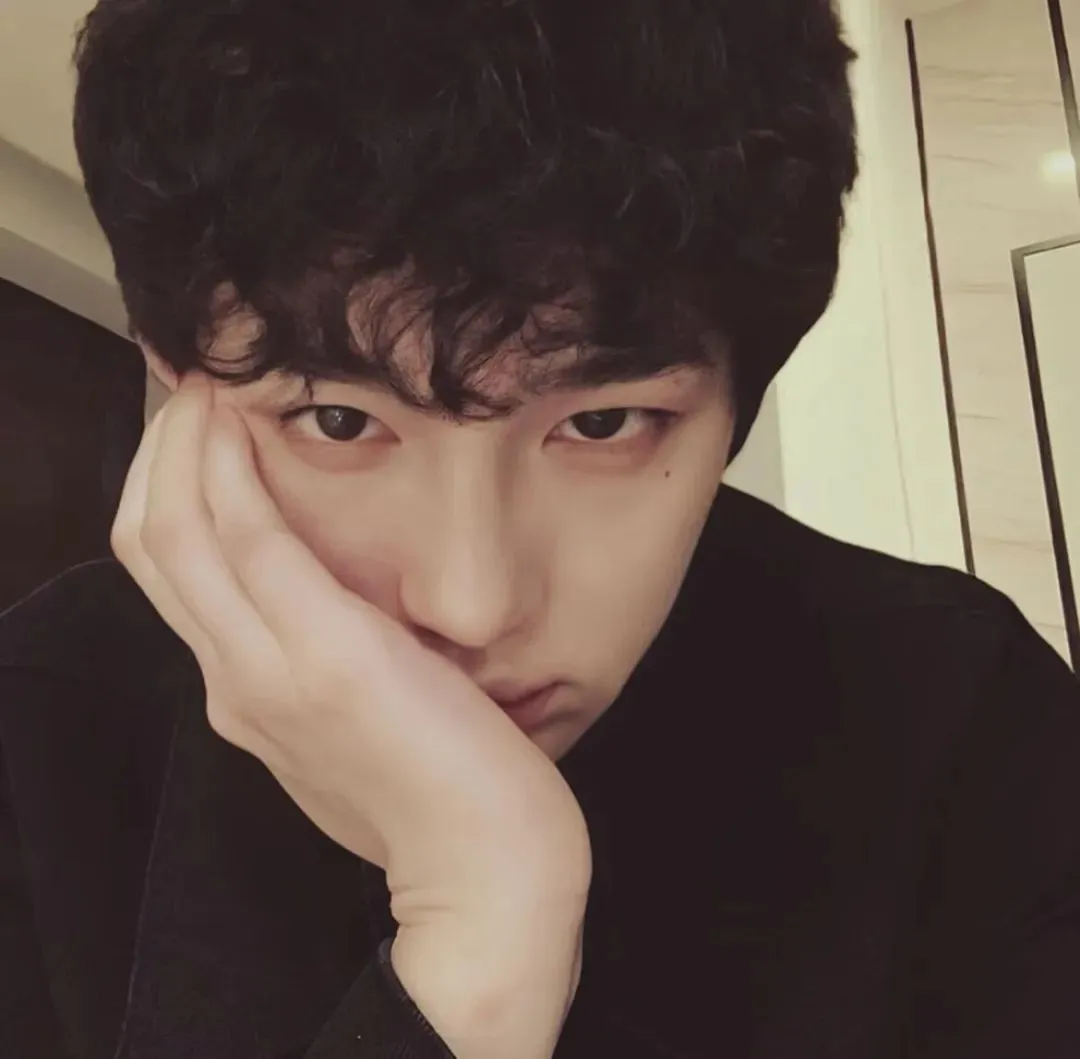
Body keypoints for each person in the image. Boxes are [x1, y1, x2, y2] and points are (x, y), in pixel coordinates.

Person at [1, 0, 1078, 1056]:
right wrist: (478, 946)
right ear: (172, 377)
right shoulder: (37, 736)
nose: (471, 604)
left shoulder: (961, 719)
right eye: (338, 420)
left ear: (739, 407)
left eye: (603, 424)